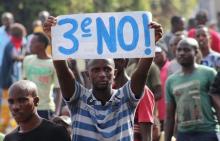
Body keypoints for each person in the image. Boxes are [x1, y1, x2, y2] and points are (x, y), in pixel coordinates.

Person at [43, 16, 163, 140]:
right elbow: (62, 72)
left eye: (107, 69)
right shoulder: (79, 99)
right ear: (88, 75)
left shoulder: (125, 98)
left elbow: (141, 73)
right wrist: (54, 39)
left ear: (115, 73)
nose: (102, 74)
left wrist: (151, 42)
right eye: (96, 70)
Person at [165, 38, 219, 141]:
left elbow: (218, 106)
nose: (181, 53)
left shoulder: (209, 73)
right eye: (179, 50)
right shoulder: (171, 81)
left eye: (186, 50)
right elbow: (169, 117)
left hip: (208, 133)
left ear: (196, 52)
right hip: (184, 135)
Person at [3, 80, 71, 141]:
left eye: (22, 100)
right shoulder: (9, 139)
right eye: (11, 102)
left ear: (36, 101)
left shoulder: (56, 133)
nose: (15, 107)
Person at [113, 58, 155, 141]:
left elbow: (146, 135)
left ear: (123, 62)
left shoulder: (143, 92)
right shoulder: (111, 90)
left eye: (113, 59)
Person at [22, 32, 62, 119]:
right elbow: (23, 84)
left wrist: (57, 112)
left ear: (42, 45)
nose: (30, 45)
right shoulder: (27, 60)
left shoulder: (53, 63)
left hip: (46, 109)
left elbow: (58, 89)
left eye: (32, 42)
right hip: (29, 107)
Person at [0, 23, 27, 132]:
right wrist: (27, 56)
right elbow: (15, 57)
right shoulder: (11, 45)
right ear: (19, 35)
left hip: (10, 79)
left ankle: (9, 126)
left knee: (10, 103)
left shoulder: (13, 44)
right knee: (8, 104)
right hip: (7, 80)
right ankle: (2, 128)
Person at [154, 46, 170, 130]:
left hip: (169, 114)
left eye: (158, 53)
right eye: (154, 53)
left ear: (165, 53)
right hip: (155, 115)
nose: (156, 55)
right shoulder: (151, 70)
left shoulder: (171, 67)